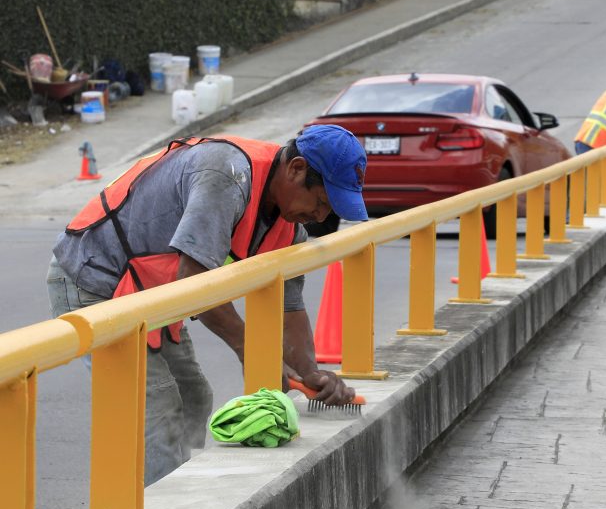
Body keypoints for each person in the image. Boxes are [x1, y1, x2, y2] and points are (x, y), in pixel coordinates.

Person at [46, 124, 367, 483]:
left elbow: (289, 306)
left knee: (194, 395)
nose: (322, 217)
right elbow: (195, 281)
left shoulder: (289, 225)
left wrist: (311, 372)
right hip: (95, 280)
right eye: (322, 203)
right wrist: (252, 350)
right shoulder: (226, 175)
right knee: (157, 405)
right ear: (296, 169)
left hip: (152, 295)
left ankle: (177, 487)